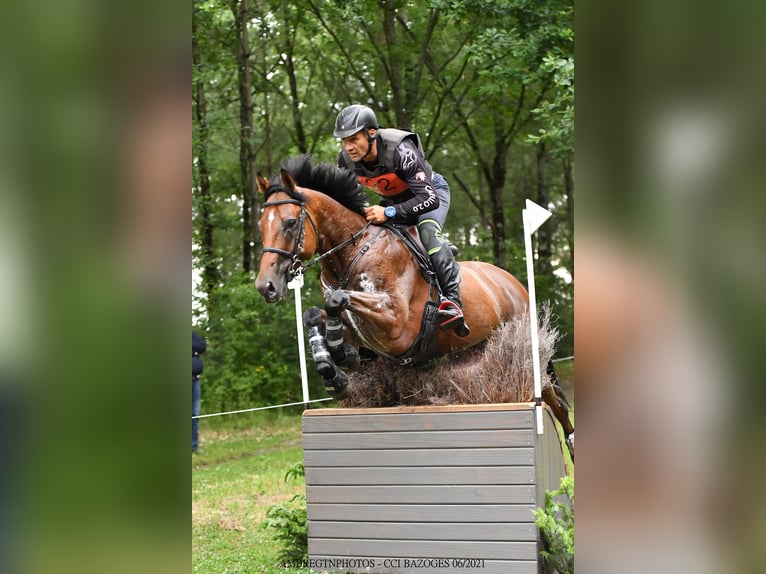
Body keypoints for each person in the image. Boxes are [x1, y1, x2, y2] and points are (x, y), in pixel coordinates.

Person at [333, 104, 469, 337]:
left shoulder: (401, 150)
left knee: (428, 232)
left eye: (354, 139)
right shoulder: (346, 160)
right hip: (393, 201)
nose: (348, 147)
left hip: (430, 194)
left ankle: (453, 302)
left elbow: (429, 199)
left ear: (371, 133)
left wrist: (388, 213)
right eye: (344, 141)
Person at [192, 330, 206, 453]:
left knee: (194, 415)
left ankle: (194, 446)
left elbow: (202, 346)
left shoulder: (191, 334)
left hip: (195, 381)